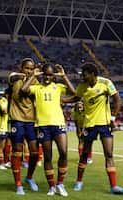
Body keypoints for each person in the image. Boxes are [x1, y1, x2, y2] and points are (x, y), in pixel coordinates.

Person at [71, 63, 123, 195]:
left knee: (109, 154)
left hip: (104, 124)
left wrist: (112, 119)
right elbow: (75, 98)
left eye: (84, 74)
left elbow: (118, 101)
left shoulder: (106, 83)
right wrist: (60, 100)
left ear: (92, 74)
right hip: (89, 125)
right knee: (84, 154)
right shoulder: (82, 86)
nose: (82, 77)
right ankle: (79, 181)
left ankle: (114, 186)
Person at [21, 63, 76, 196]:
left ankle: (60, 184)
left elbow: (74, 92)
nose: (47, 77)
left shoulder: (58, 87)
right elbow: (23, 90)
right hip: (42, 126)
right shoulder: (36, 88)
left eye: (50, 75)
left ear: (53, 76)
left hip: (58, 124)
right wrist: (33, 75)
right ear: (42, 74)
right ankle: (51, 186)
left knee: (63, 153)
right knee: (48, 157)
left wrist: (64, 76)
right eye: (45, 74)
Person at [8, 58, 40, 195]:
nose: (29, 70)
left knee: (34, 153)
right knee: (17, 151)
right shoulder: (15, 79)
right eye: (26, 68)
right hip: (17, 120)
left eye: (31, 68)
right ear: (21, 68)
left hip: (31, 121)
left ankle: (29, 178)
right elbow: (20, 93)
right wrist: (29, 76)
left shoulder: (35, 81)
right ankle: (18, 184)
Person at [0, 92, 11, 170]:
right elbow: (4, 110)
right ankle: (1, 164)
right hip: (2, 127)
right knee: (1, 146)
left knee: (7, 146)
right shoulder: (3, 100)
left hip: (7, 127)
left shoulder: (6, 101)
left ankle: (6, 161)